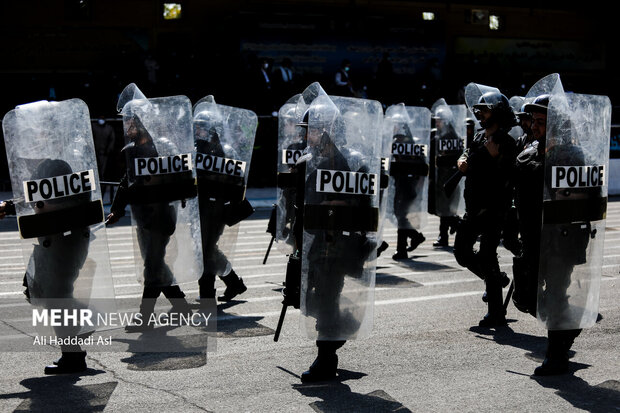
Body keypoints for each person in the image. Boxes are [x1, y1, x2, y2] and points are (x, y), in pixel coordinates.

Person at [513, 92, 606, 375]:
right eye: (534, 121)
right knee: (525, 298)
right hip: (531, 236)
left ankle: (557, 355)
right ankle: (571, 320)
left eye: (542, 121)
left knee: (554, 294)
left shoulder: (574, 156)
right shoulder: (529, 149)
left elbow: (591, 195)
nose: (535, 126)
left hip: (561, 238)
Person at [106, 114, 193, 331]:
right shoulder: (132, 151)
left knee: (152, 265)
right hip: (142, 216)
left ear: (145, 125)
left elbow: (184, 176)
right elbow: (127, 182)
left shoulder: (164, 148)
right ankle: (181, 306)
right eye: (127, 123)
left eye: (133, 123)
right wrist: (117, 209)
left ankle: (145, 317)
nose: (128, 127)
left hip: (162, 215)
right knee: (156, 263)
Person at [454, 88, 517, 327]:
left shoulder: (507, 143)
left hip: (494, 209)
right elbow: (468, 155)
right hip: (474, 205)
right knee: (462, 252)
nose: (480, 113)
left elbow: (509, 177)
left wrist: (495, 158)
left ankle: (496, 313)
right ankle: (496, 280)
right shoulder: (480, 137)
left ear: (497, 112)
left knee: (489, 255)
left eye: (485, 109)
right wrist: (462, 159)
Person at [193, 107, 250, 303]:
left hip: (217, 209)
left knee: (206, 251)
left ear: (212, 130)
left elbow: (238, 183)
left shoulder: (227, 152)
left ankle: (207, 295)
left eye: (201, 128)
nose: (197, 132)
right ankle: (234, 282)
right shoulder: (196, 149)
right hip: (198, 207)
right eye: (196, 128)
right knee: (205, 249)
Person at [389, 113, 427, 260]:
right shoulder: (408, 143)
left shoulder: (402, 143)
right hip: (403, 185)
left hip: (405, 186)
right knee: (401, 216)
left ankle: (404, 247)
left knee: (401, 216)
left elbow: (421, 167)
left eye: (395, 124)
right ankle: (412, 240)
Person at [428, 103, 463, 247]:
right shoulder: (435, 135)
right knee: (440, 208)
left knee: (446, 208)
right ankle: (453, 225)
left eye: (440, 120)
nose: (437, 122)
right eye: (436, 120)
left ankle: (450, 230)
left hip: (450, 177)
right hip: (438, 177)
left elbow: (458, 156)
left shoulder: (454, 136)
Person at [91, 115, 116, 203]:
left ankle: (101, 194)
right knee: (94, 174)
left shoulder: (109, 128)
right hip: (94, 155)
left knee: (103, 175)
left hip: (104, 155)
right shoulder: (93, 127)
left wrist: (108, 151)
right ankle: (95, 195)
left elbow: (112, 141)